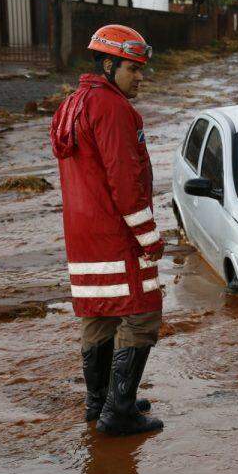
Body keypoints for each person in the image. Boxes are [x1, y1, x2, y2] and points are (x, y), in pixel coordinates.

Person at [50, 24, 164, 436]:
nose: (140, 78)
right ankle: (119, 413)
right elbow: (126, 183)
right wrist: (150, 238)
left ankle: (100, 402)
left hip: (82, 236)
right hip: (116, 236)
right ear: (109, 63)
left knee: (98, 315)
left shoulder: (71, 104)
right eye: (134, 69)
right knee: (144, 314)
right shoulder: (114, 109)